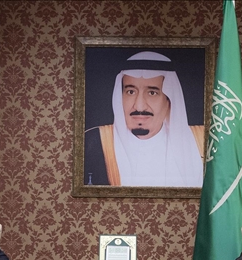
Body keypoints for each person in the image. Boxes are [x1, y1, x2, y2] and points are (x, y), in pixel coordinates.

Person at [84, 51, 204, 187]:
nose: (139, 106)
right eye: (131, 92)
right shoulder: (93, 143)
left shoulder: (201, 143)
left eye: (152, 93)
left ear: (169, 100)